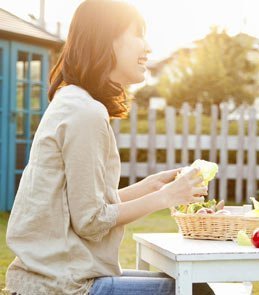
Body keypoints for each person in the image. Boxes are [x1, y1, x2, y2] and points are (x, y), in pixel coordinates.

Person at [4, 1, 214, 294]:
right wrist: (166, 197)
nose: (148, 47)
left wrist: (150, 187)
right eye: (138, 35)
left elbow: (82, 205)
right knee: (193, 290)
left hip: (53, 278)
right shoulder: (85, 112)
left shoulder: (75, 102)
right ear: (107, 41)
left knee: (191, 284)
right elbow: (90, 221)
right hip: (61, 286)